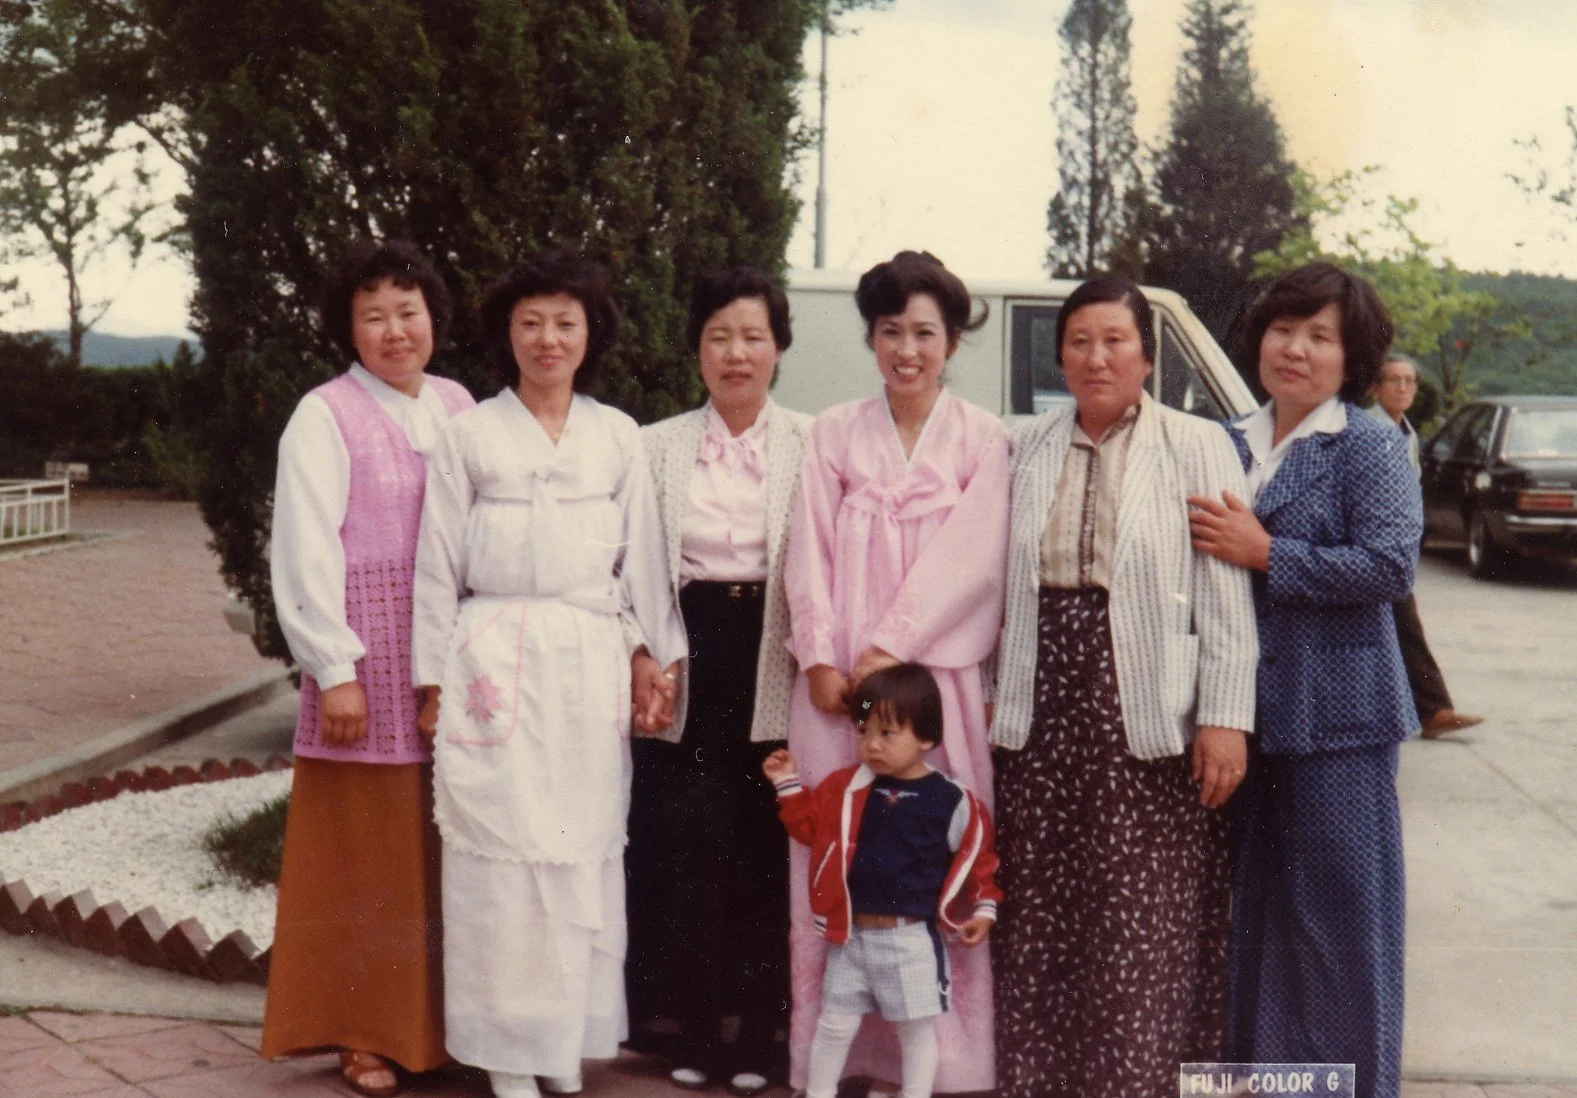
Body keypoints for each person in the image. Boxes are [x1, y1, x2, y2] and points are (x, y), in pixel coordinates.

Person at [410, 249, 687, 1098]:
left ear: (589, 334)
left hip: (585, 659)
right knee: (500, 854)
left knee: (580, 848)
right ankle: (502, 1050)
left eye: (565, 321)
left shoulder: (616, 437)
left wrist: (650, 654)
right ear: (506, 334)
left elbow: (643, 562)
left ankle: (562, 1042)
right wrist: (430, 682)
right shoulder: (469, 436)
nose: (547, 338)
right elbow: (434, 565)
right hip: (493, 654)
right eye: (530, 322)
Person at [989, 277, 1260, 1098]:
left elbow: (1222, 594)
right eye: (1078, 341)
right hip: (1041, 702)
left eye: (1114, 340)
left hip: (1146, 705)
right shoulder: (1028, 443)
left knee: (1138, 912)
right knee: (1042, 908)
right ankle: (1040, 1078)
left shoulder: (1197, 444)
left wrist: (1224, 718)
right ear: (1059, 355)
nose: (1095, 357)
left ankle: (1134, 1079)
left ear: (1146, 354)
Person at [1189, 261, 1420, 1098]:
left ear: (1348, 355)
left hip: (1341, 723)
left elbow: (1390, 565)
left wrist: (1268, 554)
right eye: (1283, 329)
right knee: (1256, 921)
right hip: (1246, 719)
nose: (1295, 349)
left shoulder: (1365, 443)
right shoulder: (1222, 437)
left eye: (1319, 337)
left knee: (1339, 927)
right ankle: (1270, 1085)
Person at [783, 250, 1009, 1094]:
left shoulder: (983, 440)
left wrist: (890, 646)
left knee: (927, 847)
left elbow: (972, 560)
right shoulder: (833, 433)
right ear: (870, 337)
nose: (906, 350)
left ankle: (936, 1062)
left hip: (930, 685)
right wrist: (819, 655)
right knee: (839, 844)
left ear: (951, 340)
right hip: (840, 685)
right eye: (890, 332)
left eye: (924, 333)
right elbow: (805, 546)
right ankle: (836, 1055)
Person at [262, 239, 475, 1098]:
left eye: (409, 309)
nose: (395, 329)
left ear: (433, 316)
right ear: (347, 329)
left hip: (455, 664)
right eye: (374, 314)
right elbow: (304, 546)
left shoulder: (463, 405)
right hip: (368, 661)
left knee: (448, 850)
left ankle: (449, 1028)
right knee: (365, 857)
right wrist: (333, 667)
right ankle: (362, 1032)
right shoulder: (324, 414)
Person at [624, 267, 811, 1095]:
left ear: (778, 347)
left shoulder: (814, 442)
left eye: (753, 337)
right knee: (685, 839)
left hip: (778, 654)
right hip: (685, 653)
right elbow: (626, 569)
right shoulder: (652, 445)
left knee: (766, 838)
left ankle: (761, 1034)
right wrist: (641, 652)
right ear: (696, 347)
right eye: (719, 337)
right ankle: (687, 1029)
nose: (737, 354)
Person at [762, 664, 1001, 1098]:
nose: (871, 744)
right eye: (863, 730)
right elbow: (810, 830)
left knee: (915, 1032)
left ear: (927, 737)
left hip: (910, 941)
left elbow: (977, 859)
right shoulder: (845, 788)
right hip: (850, 938)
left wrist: (984, 908)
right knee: (833, 1026)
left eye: (887, 733)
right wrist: (788, 785)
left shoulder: (952, 800)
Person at [1367, 352, 1484, 738]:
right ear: (1375, 387)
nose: (1402, 387)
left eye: (1409, 381)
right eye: (1393, 380)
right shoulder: (1369, 430)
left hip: (1397, 548)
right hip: (1373, 549)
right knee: (1402, 626)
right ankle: (1432, 709)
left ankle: (1427, 710)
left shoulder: (1406, 433)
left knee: (1398, 627)